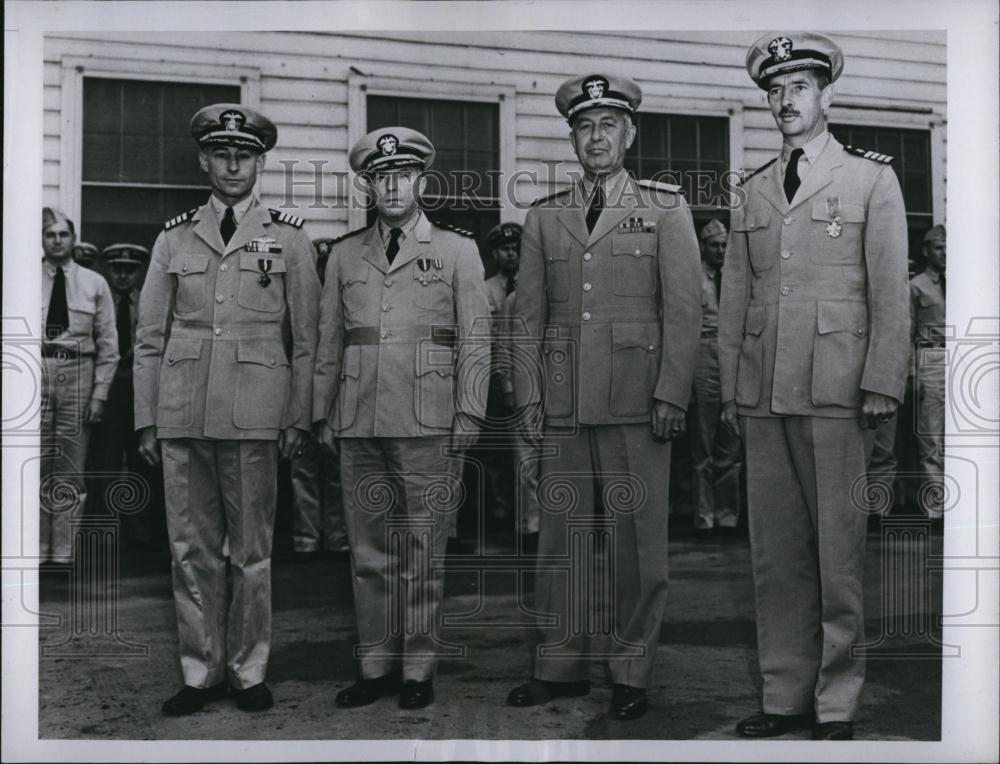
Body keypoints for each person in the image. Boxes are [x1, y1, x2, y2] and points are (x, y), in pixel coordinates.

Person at [719, 32, 910, 740]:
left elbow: (890, 288)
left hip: (838, 389)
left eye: (798, 87)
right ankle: (784, 695)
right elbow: (737, 295)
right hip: (767, 394)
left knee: (839, 556)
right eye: (774, 89)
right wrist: (737, 390)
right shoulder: (754, 188)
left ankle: (836, 702)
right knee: (775, 557)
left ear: (826, 95)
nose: (784, 100)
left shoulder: (869, 180)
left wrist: (883, 378)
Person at [506, 73, 702, 721]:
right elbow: (527, 317)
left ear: (629, 133)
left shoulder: (666, 210)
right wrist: (528, 395)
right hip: (562, 402)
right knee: (560, 540)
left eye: (608, 125)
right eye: (585, 125)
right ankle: (559, 666)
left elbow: (684, 310)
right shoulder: (545, 216)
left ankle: (630, 671)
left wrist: (672, 391)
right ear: (572, 137)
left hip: (636, 402)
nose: (597, 137)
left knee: (635, 543)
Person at [133, 103, 320, 715]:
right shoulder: (173, 236)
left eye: (244, 154)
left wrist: (297, 416)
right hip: (182, 412)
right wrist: (146, 418)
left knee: (252, 552)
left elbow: (308, 339)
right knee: (188, 548)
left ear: (260, 161)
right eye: (221, 153)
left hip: (256, 415)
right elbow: (149, 340)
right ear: (204, 160)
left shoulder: (290, 237)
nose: (233, 163)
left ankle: (248, 670)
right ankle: (199, 671)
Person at [313, 127, 491, 710]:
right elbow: (329, 341)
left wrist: (469, 410)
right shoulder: (343, 254)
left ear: (421, 181)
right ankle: (376, 665)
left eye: (403, 175)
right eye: (380, 176)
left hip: (429, 420)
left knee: (423, 550)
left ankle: (417, 667)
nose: (392, 185)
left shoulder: (458, 250)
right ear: (368, 184)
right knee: (368, 551)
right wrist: (321, 412)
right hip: (359, 418)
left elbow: (476, 339)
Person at [40, 208, 119, 564]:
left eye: (62, 234)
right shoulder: (22, 278)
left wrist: (99, 395)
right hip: (35, 371)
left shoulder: (94, 283)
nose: (57, 240)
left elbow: (109, 346)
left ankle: (63, 554)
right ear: (41, 240)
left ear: (73, 239)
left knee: (70, 468)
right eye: (49, 234)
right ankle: (38, 550)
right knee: (36, 463)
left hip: (78, 372)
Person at [87, 244, 166, 549]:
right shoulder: (100, 300)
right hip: (109, 384)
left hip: (142, 384)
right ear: (108, 270)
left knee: (143, 460)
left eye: (129, 269)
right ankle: (105, 532)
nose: (122, 275)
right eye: (117, 268)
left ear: (140, 272)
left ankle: (141, 532)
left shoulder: (150, 301)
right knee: (105, 459)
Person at [288, 238, 349, 562]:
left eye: (327, 269)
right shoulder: (298, 304)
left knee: (337, 472)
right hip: (300, 401)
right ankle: (306, 541)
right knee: (303, 472)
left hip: (336, 403)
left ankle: (337, 540)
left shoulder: (345, 304)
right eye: (318, 269)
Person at [689, 218, 742, 536]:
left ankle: (728, 517)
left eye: (724, 245)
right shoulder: (694, 278)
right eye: (714, 245)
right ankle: (704, 518)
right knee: (703, 443)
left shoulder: (735, 277)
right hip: (703, 354)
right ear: (703, 246)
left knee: (731, 440)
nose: (721, 250)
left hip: (732, 356)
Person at [481, 222, 525, 531]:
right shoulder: (486, 290)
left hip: (521, 375)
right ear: (495, 254)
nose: (512, 255)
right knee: (495, 449)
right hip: (490, 377)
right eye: (506, 250)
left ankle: (526, 514)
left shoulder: (530, 288)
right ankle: (501, 510)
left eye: (517, 249)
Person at [909, 224, 946, 521]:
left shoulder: (963, 283)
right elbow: (908, 333)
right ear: (925, 251)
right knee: (931, 436)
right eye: (938, 248)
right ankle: (937, 507)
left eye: (947, 248)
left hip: (963, 358)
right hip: (931, 358)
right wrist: (913, 374)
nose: (944, 254)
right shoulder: (917, 286)